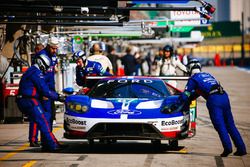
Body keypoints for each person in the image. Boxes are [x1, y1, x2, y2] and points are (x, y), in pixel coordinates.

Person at [171, 59, 247, 157]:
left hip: (214, 100)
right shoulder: (208, 74)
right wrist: (191, 98)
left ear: (189, 69)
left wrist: (175, 105)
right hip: (224, 96)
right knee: (230, 124)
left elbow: (185, 95)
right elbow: (199, 92)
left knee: (220, 125)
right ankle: (241, 148)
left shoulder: (193, 79)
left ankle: (227, 148)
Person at [16, 54, 66, 152]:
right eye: (46, 67)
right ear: (41, 63)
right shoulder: (36, 73)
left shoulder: (32, 71)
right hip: (29, 100)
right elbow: (45, 90)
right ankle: (52, 145)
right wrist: (59, 97)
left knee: (43, 120)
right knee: (42, 121)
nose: (46, 70)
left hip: (27, 99)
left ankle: (48, 144)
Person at [30, 37, 59, 148]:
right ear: (48, 46)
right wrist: (43, 92)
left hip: (50, 89)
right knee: (39, 115)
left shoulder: (54, 56)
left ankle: (47, 139)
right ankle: (35, 139)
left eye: (56, 48)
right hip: (42, 90)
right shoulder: (41, 56)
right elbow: (37, 74)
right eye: (52, 48)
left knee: (50, 116)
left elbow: (54, 71)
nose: (54, 51)